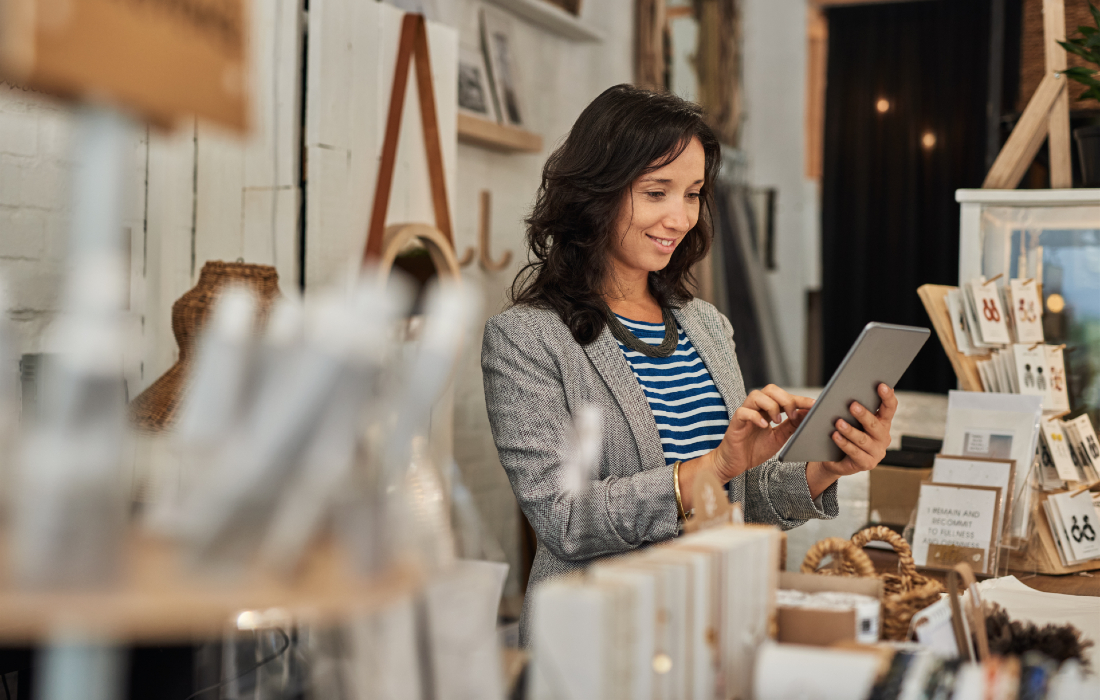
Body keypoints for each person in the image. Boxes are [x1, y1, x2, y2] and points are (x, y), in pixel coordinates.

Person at [481, 84, 896, 643]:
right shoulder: (527, 338)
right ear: (595, 192)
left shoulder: (704, 323)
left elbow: (741, 501)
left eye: (693, 193)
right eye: (657, 192)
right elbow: (564, 520)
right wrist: (715, 467)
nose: (679, 217)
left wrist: (827, 466)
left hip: (715, 623)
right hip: (602, 642)